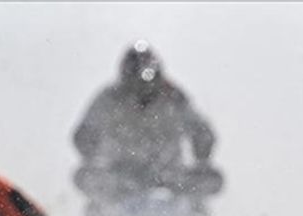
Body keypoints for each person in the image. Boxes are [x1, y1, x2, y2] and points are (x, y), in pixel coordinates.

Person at [72, 41, 219, 199]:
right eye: (135, 82)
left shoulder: (173, 97)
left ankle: (196, 212)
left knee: (209, 181)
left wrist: (202, 157)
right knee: (86, 177)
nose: (142, 89)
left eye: (147, 81)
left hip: (169, 179)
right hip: (119, 179)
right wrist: (93, 157)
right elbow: (83, 133)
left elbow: (201, 130)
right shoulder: (110, 98)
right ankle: (98, 212)